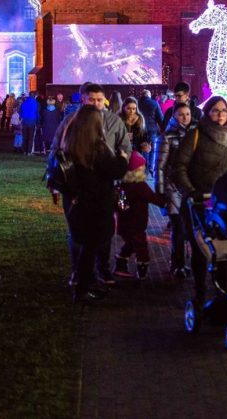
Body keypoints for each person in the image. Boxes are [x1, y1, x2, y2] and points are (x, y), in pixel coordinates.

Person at [49, 83, 133, 287]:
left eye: (99, 100)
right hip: (76, 188)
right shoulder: (71, 121)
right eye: (91, 100)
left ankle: (102, 269)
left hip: (104, 187)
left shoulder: (113, 121)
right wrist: (55, 183)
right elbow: (56, 151)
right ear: (83, 100)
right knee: (78, 234)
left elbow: (125, 148)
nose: (96, 104)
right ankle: (78, 274)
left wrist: (120, 165)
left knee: (104, 232)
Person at [172, 96, 227, 302]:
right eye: (215, 110)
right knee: (201, 249)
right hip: (199, 202)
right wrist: (190, 191)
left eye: (223, 110)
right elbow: (179, 167)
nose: (220, 115)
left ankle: (223, 294)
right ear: (207, 113)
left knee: (225, 250)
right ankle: (199, 291)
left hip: (225, 205)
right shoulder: (195, 135)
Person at [61, 105, 129, 302]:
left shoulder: (71, 143)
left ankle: (85, 283)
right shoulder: (97, 148)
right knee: (92, 246)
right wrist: (123, 158)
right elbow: (116, 171)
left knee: (86, 245)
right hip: (98, 203)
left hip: (79, 203)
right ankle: (83, 288)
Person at [155, 102, 199, 278]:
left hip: (192, 186)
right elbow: (159, 165)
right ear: (174, 116)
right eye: (181, 115)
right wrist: (160, 189)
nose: (185, 118)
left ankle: (192, 263)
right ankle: (177, 262)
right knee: (178, 227)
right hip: (173, 186)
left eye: (187, 114)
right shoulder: (166, 136)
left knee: (192, 227)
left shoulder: (196, 134)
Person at [115, 151, 166, 280]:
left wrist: (125, 212)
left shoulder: (123, 186)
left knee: (131, 244)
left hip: (125, 224)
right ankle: (142, 269)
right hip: (137, 224)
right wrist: (165, 201)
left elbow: (121, 206)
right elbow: (154, 198)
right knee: (141, 247)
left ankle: (120, 264)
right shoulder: (141, 187)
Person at [137, 89, 163, 171]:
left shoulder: (137, 103)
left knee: (142, 148)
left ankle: (144, 166)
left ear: (142, 95)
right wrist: (162, 129)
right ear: (149, 95)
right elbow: (160, 118)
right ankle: (151, 167)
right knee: (152, 149)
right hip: (152, 129)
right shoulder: (154, 103)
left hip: (140, 129)